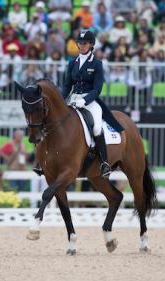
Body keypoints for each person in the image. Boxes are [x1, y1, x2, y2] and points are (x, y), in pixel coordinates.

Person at [61, 29, 124, 177]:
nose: (82, 45)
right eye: (80, 43)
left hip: (90, 101)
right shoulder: (72, 63)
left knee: (96, 127)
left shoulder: (96, 64)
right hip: (73, 99)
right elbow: (67, 85)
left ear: (91, 45)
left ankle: (104, 162)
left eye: (85, 43)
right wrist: (61, 100)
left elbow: (97, 89)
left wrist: (85, 100)